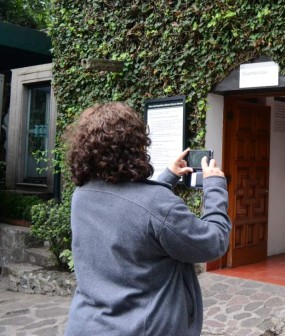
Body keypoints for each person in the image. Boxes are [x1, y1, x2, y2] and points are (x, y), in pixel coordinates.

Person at [64, 102, 231, 336]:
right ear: (136, 146)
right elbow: (214, 242)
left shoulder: (82, 195)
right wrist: (215, 185)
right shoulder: (156, 204)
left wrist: (168, 177)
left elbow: (132, 212)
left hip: (86, 325)